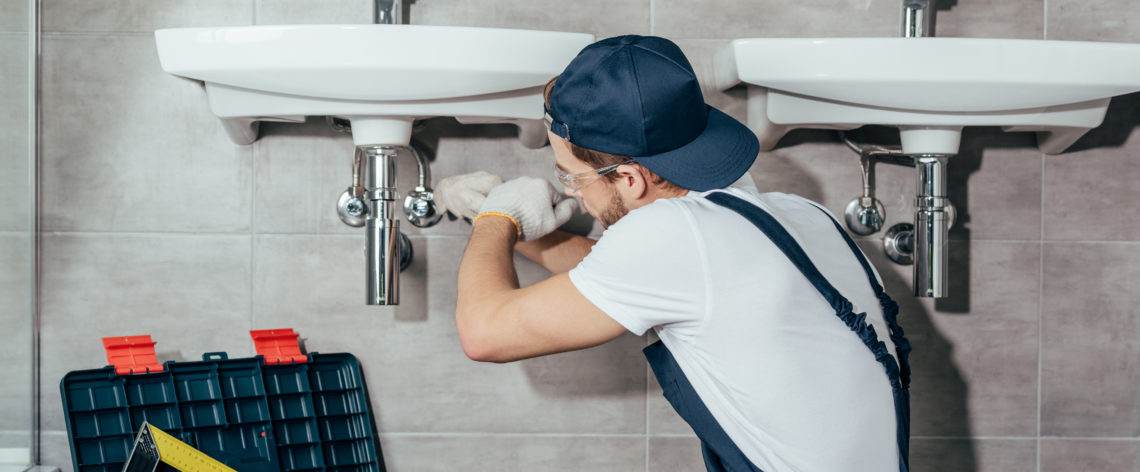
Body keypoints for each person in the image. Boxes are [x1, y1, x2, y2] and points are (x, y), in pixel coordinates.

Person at [435, 35, 912, 472]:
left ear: (630, 178)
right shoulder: (798, 213)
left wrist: (495, 220)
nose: (574, 194)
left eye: (571, 177)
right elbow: (615, 283)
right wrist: (519, 227)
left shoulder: (672, 236)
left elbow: (484, 335)